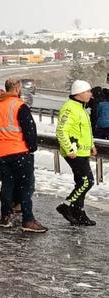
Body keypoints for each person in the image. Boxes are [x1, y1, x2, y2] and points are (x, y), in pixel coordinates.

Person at [0, 78, 47, 233]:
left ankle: (5, 216)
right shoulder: (20, 105)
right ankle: (28, 219)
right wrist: (32, 147)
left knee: (7, 185)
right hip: (20, 151)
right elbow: (29, 129)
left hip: (3, 153)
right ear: (17, 88)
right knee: (25, 186)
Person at [55, 80, 97, 226]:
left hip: (82, 152)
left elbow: (85, 130)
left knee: (81, 182)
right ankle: (66, 205)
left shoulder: (81, 108)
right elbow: (61, 131)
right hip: (74, 152)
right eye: (88, 91)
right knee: (87, 182)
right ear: (78, 93)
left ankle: (78, 211)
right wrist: (69, 149)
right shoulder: (69, 108)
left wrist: (91, 145)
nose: (90, 94)